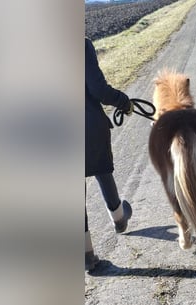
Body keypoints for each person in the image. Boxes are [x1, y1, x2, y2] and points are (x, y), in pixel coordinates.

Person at [85, 37, 134, 270]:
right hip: (87, 126)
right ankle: (119, 218)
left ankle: (86, 256)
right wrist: (123, 101)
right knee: (102, 168)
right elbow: (97, 89)